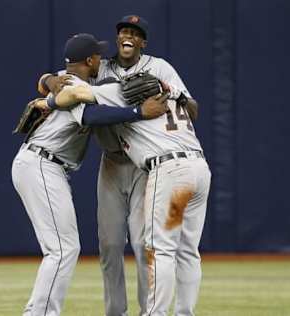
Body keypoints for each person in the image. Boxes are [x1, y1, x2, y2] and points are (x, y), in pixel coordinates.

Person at [38, 15, 198, 316]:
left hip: (144, 167)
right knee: (110, 244)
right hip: (111, 163)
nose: (129, 36)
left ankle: (146, 310)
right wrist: (48, 81)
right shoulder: (101, 67)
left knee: (142, 243)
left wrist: (174, 94)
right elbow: (58, 80)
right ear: (117, 38)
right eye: (124, 31)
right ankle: (115, 311)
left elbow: (192, 108)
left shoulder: (159, 66)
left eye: (136, 33)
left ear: (143, 42)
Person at [12, 33, 168, 316]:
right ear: (89, 60)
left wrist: (47, 79)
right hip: (42, 163)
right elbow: (91, 117)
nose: (101, 58)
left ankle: (37, 311)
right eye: (97, 55)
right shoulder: (73, 83)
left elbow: (46, 79)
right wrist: (138, 111)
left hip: (42, 164)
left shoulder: (65, 77)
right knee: (62, 250)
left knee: (63, 249)